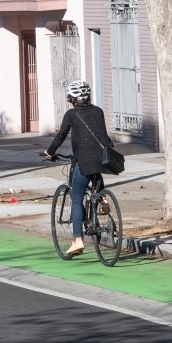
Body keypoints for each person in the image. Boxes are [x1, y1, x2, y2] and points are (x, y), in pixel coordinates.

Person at [42, 79, 113, 257]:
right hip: (102, 159)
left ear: (73, 98)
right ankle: (102, 199)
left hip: (83, 161)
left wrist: (50, 152)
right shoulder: (98, 111)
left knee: (76, 197)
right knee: (95, 176)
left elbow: (60, 137)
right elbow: (103, 135)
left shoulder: (72, 115)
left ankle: (77, 240)